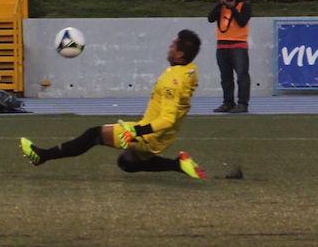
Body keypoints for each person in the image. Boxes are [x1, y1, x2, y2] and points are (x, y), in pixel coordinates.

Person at [19, 30, 207, 180]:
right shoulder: (190, 70)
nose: (169, 47)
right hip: (163, 137)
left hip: (149, 135)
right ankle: (178, 164)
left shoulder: (172, 82)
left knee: (93, 135)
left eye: (173, 46)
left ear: (180, 55)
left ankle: (42, 156)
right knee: (127, 163)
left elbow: (167, 119)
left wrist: (136, 131)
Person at [208, 0, 252, 113]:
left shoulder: (244, 5)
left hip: (238, 45)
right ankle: (228, 102)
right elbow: (210, 18)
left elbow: (242, 22)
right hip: (222, 45)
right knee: (225, 77)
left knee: (242, 76)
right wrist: (219, 4)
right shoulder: (221, 7)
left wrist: (233, 8)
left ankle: (242, 104)